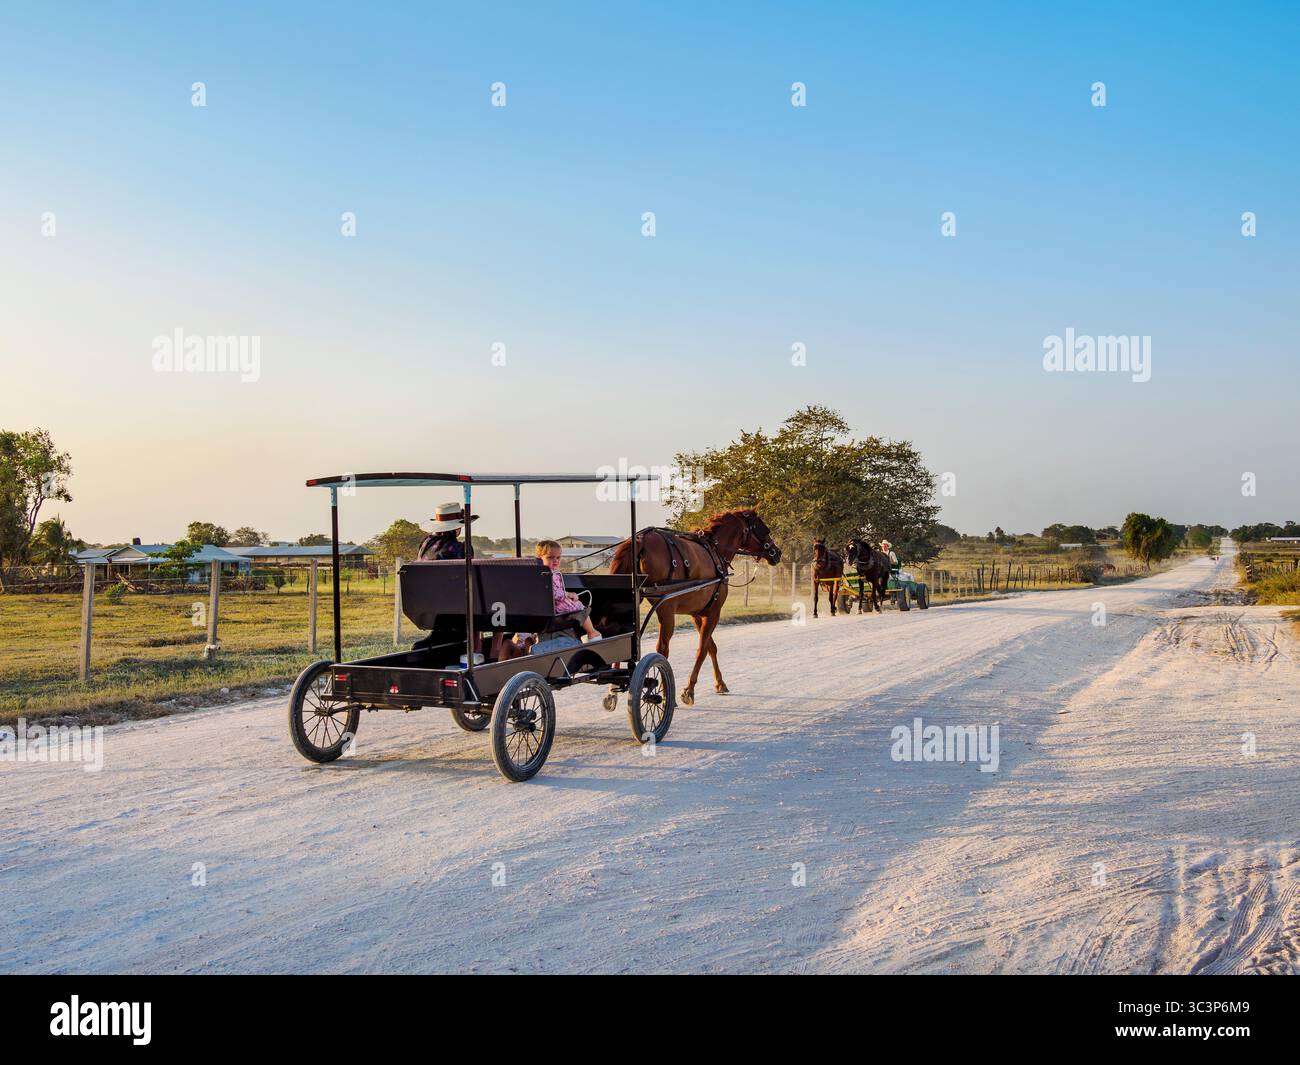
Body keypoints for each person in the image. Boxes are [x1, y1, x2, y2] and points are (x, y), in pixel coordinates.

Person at [535, 539, 600, 641]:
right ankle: (591, 632)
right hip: (553, 606)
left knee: (576, 603)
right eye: (550, 557)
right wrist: (568, 594)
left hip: (547, 605)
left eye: (558, 557)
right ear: (539, 559)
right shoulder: (547, 574)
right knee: (579, 606)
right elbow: (552, 593)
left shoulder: (543, 573)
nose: (555, 560)